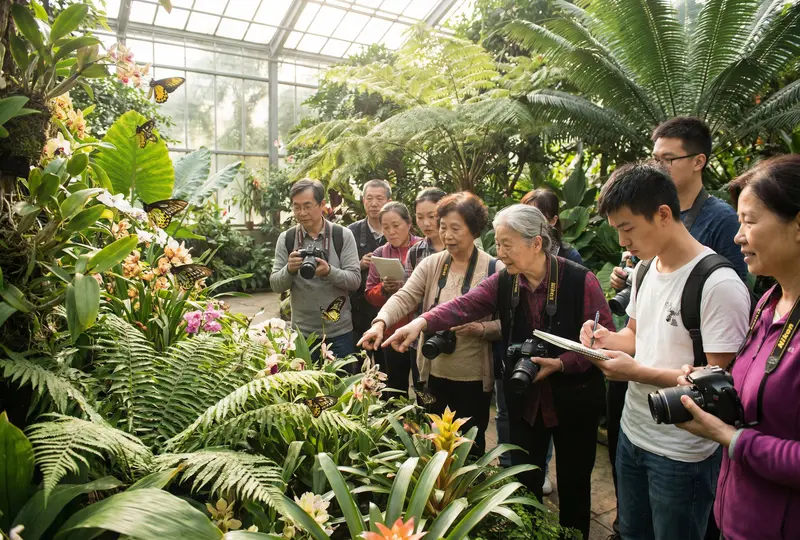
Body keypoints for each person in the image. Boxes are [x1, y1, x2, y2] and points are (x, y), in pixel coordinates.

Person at [381, 204, 612, 540]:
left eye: (506, 244)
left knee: (575, 484)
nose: (499, 253)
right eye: (498, 244)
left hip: (574, 401)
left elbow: (603, 342)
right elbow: (463, 305)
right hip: (524, 399)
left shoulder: (579, 280)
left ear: (535, 243)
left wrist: (562, 363)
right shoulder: (505, 280)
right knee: (523, 480)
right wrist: (420, 322)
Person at [580, 162, 751, 540]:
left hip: (683, 450)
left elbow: (718, 384)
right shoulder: (645, 270)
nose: (623, 242)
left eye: (627, 229)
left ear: (662, 214)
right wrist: (603, 339)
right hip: (633, 432)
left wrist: (634, 372)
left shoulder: (718, 283)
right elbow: (635, 336)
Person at [674, 155, 800, 540]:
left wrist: (732, 439)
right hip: (736, 518)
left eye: (750, 220)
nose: (737, 235)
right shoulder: (768, 302)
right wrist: (712, 386)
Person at [359, 193, 501, 452]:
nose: (447, 235)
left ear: (474, 229)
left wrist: (480, 329)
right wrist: (380, 323)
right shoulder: (432, 263)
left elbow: (507, 325)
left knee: (470, 448)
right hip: (431, 372)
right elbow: (404, 296)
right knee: (434, 444)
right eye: (443, 227)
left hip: (473, 379)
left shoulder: (494, 269)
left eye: (455, 228)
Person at [521, 187, 582, 491]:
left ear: (553, 221)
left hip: (567, 364)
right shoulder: (514, 269)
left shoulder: (572, 262)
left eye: (539, 217)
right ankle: (539, 471)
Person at [270, 179, 361, 358]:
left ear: (321, 205)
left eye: (307, 206)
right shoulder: (287, 238)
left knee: (341, 383)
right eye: (296, 207)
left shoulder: (342, 235)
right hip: (301, 333)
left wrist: (329, 272)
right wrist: (289, 269)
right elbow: (275, 285)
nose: (302, 213)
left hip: (339, 333)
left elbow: (355, 281)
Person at [363, 202, 421, 398]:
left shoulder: (423, 248)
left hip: (420, 330)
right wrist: (385, 290)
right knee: (394, 389)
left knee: (424, 388)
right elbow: (370, 293)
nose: (391, 231)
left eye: (396, 225)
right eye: (385, 227)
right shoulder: (380, 253)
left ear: (409, 223)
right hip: (391, 331)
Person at [348, 180, 391, 352]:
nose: (374, 204)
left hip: (389, 309)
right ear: (363, 201)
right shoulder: (350, 232)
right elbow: (339, 270)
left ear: (388, 201)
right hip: (358, 309)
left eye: (379, 198)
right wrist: (359, 265)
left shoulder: (397, 230)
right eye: (369, 198)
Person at [522, 188, 584, 264]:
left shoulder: (570, 257)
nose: (529, 221)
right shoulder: (515, 250)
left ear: (553, 221)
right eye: (525, 215)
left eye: (536, 216)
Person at [405, 188, 446, 275]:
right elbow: (409, 287)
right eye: (420, 217)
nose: (426, 223)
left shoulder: (461, 248)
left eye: (432, 216)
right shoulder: (415, 252)